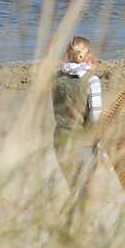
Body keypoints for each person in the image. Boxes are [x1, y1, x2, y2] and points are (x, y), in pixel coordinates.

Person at [51, 35, 103, 211]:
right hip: (83, 145)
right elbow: (96, 119)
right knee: (81, 195)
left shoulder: (55, 78)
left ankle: (66, 231)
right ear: (89, 55)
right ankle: (64, 230)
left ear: (67, 53)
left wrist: (88, 69)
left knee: (75, 191)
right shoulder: (92, 81)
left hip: (60, 142)